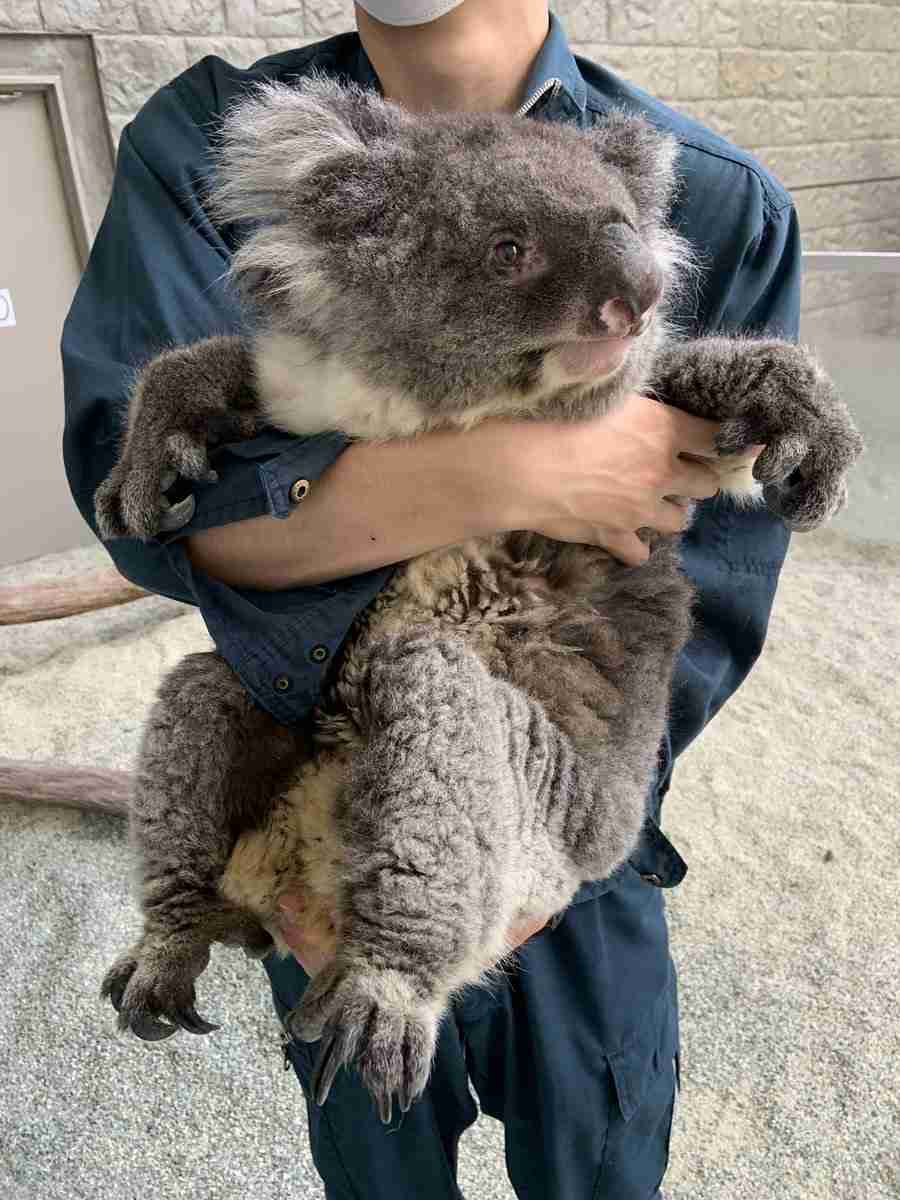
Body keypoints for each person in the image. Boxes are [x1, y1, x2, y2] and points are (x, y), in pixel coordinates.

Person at [61, 2, 800, 1196]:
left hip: (554, 776)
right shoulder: (213, 142)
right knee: (370, 1142)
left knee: (597, 1149)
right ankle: (178, 922)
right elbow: (153, 517)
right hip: (318, 759)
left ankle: (407, 962)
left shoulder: (719, 195)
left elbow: (716, 585)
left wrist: (542, 852)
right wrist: (514, 470)